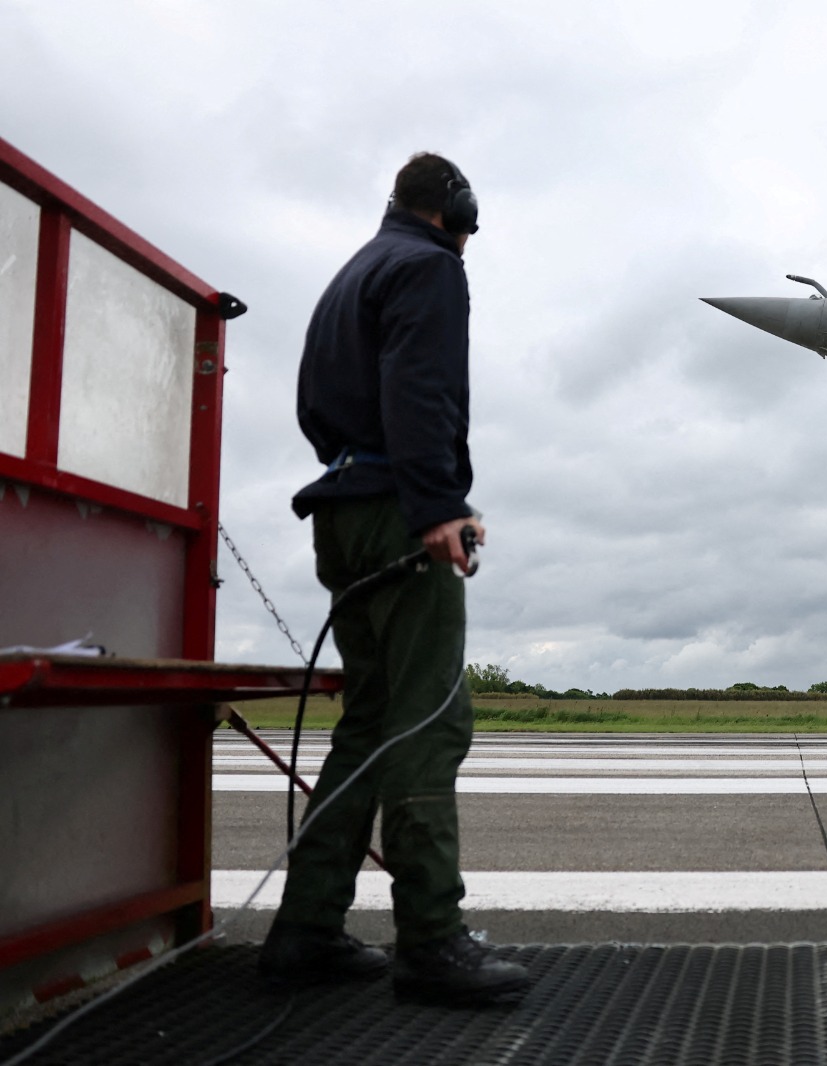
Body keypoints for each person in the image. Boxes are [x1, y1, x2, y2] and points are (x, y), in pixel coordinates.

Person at [258, 152, 530, 1004]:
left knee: (368, 722)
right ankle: (431, 940)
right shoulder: (429, 267)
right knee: (429, 720)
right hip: (396, 510)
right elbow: (422, 387)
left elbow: (313, 404)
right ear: (459, 208)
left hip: (342, 512)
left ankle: (305, 931)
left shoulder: (353, 274)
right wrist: (437, 503)